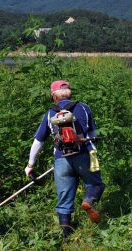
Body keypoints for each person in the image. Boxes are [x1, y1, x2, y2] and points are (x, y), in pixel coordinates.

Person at [24, 80, 106, 240]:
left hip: (61, 160)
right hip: (86, 154)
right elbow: (93, 134)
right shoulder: (83, 107)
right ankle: (89, 201)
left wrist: (30, 165)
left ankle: (66, 235)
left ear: (53, 96)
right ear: (70, 93)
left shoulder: (49, 113)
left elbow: (38, 141)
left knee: (64, 199)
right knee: (96, 184)